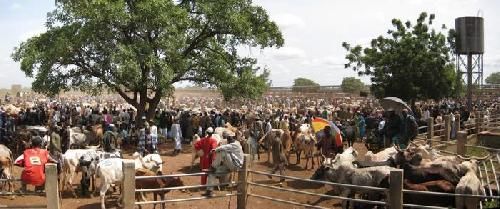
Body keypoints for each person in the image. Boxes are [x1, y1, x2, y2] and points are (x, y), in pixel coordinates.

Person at [202, 131, 244, 197]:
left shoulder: (236, 144)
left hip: (235, 165)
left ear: (234, 138)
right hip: (229, 165)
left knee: (222, 152)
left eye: (230, 138)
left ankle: (213, 167)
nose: (229, 139)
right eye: (228, 138)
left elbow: (223, 147)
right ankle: (209, 191)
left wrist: (214, 150)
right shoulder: (231, 144)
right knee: (211, 173)